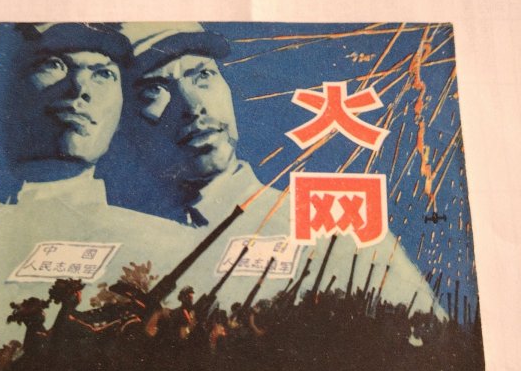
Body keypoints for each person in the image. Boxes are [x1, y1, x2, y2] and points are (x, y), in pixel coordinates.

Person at [106, 23, 446, 318]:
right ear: (118, 121)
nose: (193, 107)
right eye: (154, 89)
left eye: (203, 75)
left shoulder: (335, 231)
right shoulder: (111, 236)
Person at [0, 23, 194, 371]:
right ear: (8, 91)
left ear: (121, 107)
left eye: (103, 74)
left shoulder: (164, 245)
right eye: (53, 65)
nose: (79, 89)